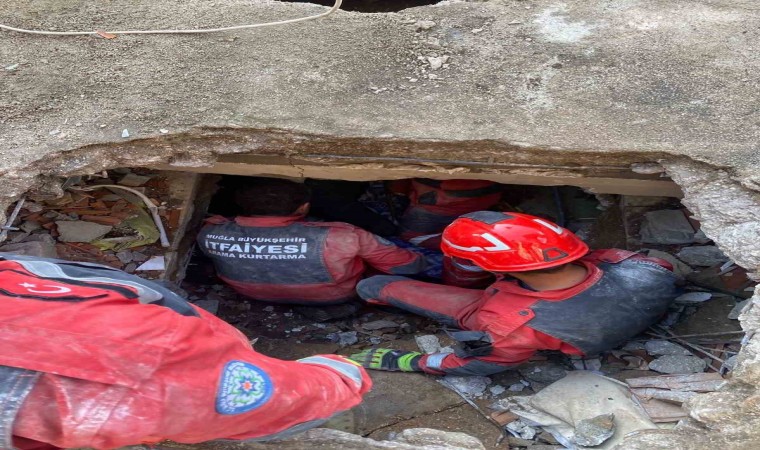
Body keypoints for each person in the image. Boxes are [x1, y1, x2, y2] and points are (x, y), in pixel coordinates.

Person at [0, 253, 370, 449]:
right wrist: (342, 373)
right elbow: (290, 397)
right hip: (333, 297)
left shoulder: (212, 233)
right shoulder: (145, 349)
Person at [351, 211, 678, 376]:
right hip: (591, 316)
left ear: (492, 268)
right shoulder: (644, 266)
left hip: (530, 316)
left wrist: (410, 361)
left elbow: (484, 361)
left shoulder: (508, 322)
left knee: (372, 286)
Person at [197, 179, 427, 318]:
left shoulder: (210, 231)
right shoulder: (343, 235)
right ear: (305, 207)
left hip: (251, 294)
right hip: (335, 296)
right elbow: (407, 266)